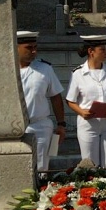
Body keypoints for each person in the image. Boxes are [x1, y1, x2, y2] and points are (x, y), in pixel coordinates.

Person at [66, 35, 106, 168]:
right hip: (88, 123)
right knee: (89, 163)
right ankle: (92, 189)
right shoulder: (78, 74)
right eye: (102, 50)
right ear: (91, 51)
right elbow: (70, 100)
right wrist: (81, 112)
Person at [17, 31, 66, 173]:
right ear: (15, 47)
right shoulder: (5, 70)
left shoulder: (45, 69)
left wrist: (61, 124)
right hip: (15, 127)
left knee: (42, 167)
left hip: (40, 125)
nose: (34, 51)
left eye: (35, 47)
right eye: (29, 47)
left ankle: (41, 193)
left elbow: (56, 97)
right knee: (20, 168)